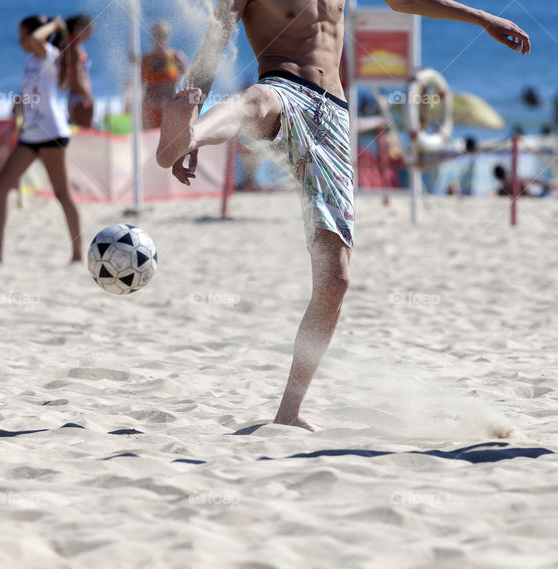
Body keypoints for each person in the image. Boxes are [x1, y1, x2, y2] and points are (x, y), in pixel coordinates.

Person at [155, 0, 530, 431]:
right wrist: (191, 123)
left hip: (333, 116)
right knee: (253, 100)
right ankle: (188, 137)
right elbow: (215, 42)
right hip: (283, 92)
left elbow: (405, 1)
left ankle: (289, 412)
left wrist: (483, 19)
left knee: (336, 281)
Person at [0, 16, 82, 264]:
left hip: (52, 133)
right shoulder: (31, 60)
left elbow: (35, 39)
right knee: (1, 186)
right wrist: (19, 104)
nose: (20, 42)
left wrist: (55, 25)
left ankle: (78, 255)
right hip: (31, 134)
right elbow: (31, 90)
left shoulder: (49, 54)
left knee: (62, 194)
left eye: (22, 36)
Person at [141, 21, 189, 130]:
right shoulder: (146, 60)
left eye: (162, 35)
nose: (158, 39)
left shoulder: (176, 57)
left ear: (168, 37)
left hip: (170, 109)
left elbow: (190, 80)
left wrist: (186, 102)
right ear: (151, 37)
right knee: (149, 140)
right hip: (150, 111)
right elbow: (137, 85)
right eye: (156, 35)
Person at [65, 14, 95, 128]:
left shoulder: (74, 48)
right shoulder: (74, 50)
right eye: (89, 30)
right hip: (80, 97)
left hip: (78, 97)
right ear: (78, 30)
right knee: (86, 133)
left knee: (85, 131)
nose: (91, 35)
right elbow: (75, 79)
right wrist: (87, 96)